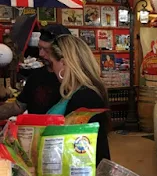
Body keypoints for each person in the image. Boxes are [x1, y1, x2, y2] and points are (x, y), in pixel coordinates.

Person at [46, 34, 110, 166]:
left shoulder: (84, 97)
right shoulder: (79, 92)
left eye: (52, 64)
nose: (52, 70)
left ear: (63, 63)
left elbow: (79, 149)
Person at [0, 24, 71, 120]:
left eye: (46, 50)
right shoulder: (36, 75)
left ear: (61, 51)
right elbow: (18, 106)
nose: (40, 54)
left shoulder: (74, 81)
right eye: (39, 48)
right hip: (35, 133)